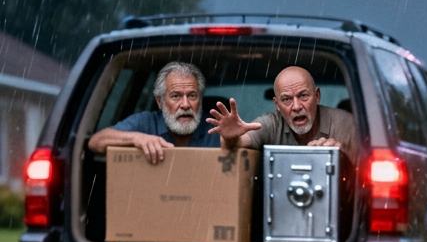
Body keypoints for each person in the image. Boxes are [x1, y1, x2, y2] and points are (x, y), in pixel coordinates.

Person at [206, 66, 357, 164]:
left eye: (303, 95)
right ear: (277, 105)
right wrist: (230, 137)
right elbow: (237, 143)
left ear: (317, 96)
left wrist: (342, 160)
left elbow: (366, 177)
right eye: (287, 99)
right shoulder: (270, 124)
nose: (296, 106)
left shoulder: (347, 125)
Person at [88, 61, 218, 163]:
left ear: (200, 101)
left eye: (192, 96)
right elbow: (96, 142)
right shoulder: (145, 123)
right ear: (160, 102)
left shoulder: (215, 126)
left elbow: (237, 138)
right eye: (175, 96)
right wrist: (136, 138)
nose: (185, 105)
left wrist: (234, 139)